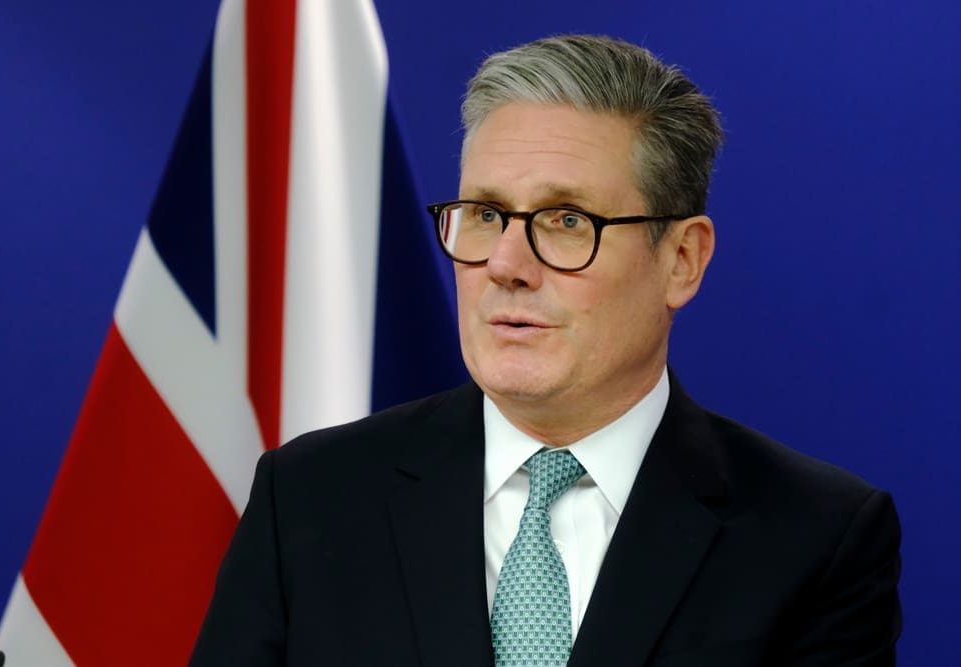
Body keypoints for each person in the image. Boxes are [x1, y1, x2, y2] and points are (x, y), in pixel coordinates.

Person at [189, 34, 901, 666]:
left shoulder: (817, 537)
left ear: (682, 259)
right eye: (486, 214)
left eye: (566, 220)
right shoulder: (312, 495)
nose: (505, 263)